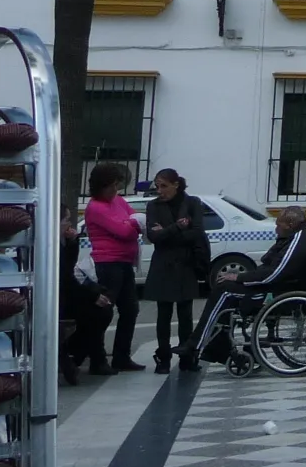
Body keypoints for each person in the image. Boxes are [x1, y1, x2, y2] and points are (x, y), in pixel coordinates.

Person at [196, 206, 306, 364]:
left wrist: (239, 277)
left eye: (279, 225)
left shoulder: (302, 238)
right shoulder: (296, 236)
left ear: (291, 224)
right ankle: (217, 345)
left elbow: (275, 273)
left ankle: (198, 344)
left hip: (280, 291)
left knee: (225, 291)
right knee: (225, 290)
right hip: (277, 286)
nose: (275, 228)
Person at [143, 169, 209, 374]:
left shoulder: (192, 203)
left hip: (185, 263)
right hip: (163, 264)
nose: (160, 190)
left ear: (176, 184)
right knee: (163, 313)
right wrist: (177, 228)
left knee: (185, 313)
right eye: (157, 186)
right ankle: (163, 357)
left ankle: (187, 357)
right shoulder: (153, 206)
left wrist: (166, 232)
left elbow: (197, 232)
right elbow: (153, 237)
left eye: (164, 185)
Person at [82, 163, 144, 372]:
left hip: (125, 261)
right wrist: (133, 224)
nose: (114, 192)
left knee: (130, 310)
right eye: (111, 187)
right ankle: (98, 359)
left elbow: (134, 218)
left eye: (117, 187)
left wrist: (132, 223)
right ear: (100, 187)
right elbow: (125, 230)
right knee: (104, 311)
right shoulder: (95, 207)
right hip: (107, 262)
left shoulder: (118, 201)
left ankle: (121, 356)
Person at [59, 207, 114, 383]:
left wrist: (72, 242)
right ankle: (83, 354)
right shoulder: (50, 245)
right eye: (65, 220)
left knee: (103, 302)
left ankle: (84, 355)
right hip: (59, 300)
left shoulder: (61, 241)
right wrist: (91, 296)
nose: (68, 224)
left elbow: (69, 269)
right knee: (98, 311)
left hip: (67, 294)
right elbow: (65, 278)